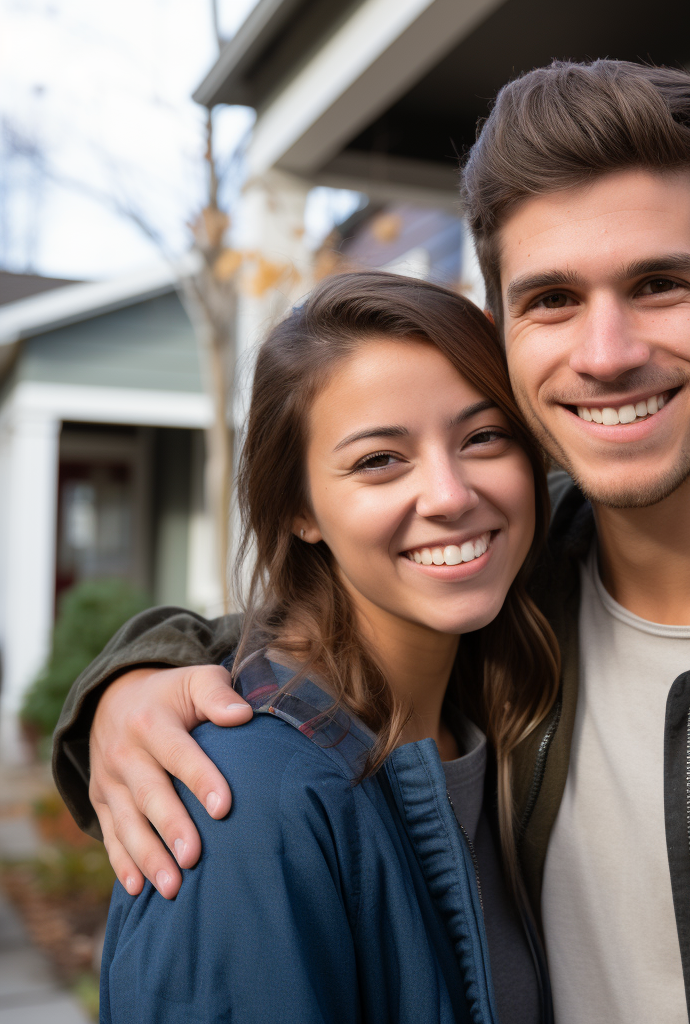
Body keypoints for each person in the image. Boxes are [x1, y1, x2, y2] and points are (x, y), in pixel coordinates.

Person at [58, 61, 690, 1022]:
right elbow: (326, 635)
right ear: (503, 334)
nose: (606, 354)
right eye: (553, 298)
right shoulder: (509, 597)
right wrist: (138, 677)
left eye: (657, 284)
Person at [98, 271, 559, 1022]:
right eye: (380, 459)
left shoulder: (499, 706)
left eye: (483, 437)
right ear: (298, 510)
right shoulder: (248, 803)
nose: (449, 494)